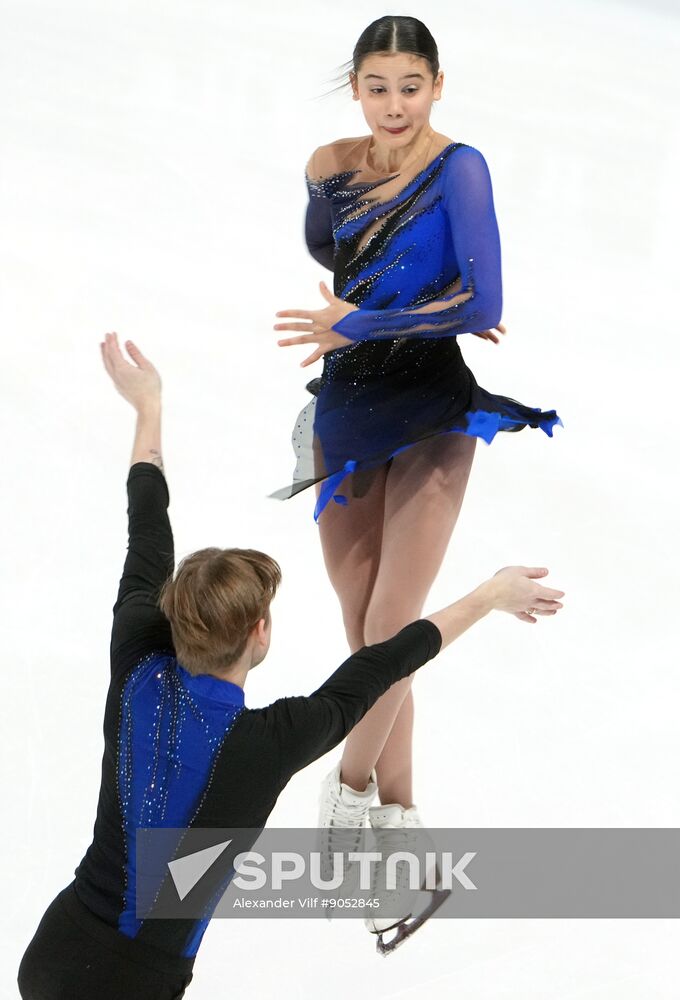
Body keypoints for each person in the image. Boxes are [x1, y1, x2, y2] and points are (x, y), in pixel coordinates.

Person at [17, 334, 564, 998]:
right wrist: (489, 596)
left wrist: (148, 409)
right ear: (260, 633)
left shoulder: (136, 653)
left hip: (54, 949)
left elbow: (147, 521)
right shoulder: (263, 744)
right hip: (135, 984)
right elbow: (390, 659)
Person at [271, 14, 563, 939]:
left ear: (437, 85)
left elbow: (488, 300)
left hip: (432, 410)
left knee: (393, 628)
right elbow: (335, 252)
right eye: (377, 87)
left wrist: (381, 319)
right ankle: (402, 821)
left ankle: (347, 794)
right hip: (348, 408)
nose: (394, 105)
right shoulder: (327, 165)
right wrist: (417, 300)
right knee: (365, 630)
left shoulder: (460, 167)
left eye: (410, 86)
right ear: (355, 88)